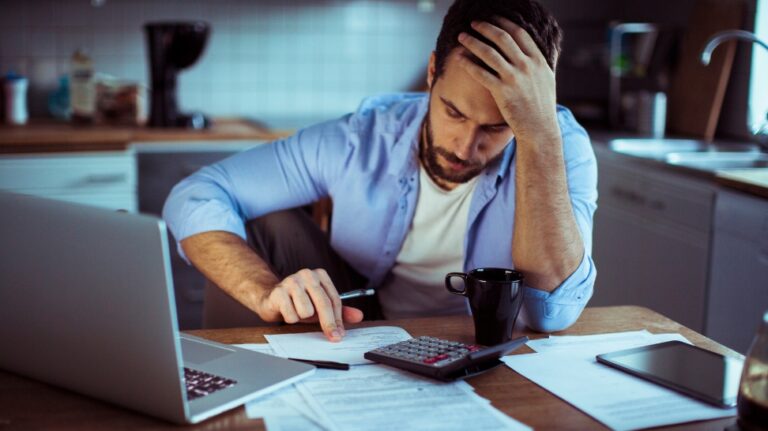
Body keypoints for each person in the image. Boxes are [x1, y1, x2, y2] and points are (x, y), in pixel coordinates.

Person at [163, 0, 597, 342]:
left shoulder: (557, 145)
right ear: (431, 73)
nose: (466, 147)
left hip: (478, 342)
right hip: (358, 324)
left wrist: (537, 134)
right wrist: (262, 290)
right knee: (267, 220)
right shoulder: (365, 137)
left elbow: (551, 314)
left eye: (497, 126)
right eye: (453, 111)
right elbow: (198, 193)